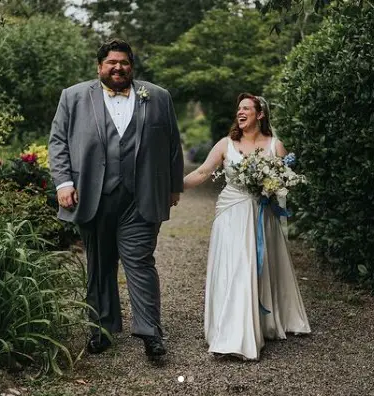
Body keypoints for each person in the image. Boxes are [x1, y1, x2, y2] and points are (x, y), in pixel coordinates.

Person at [48, 39, 184, 361]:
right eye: (111, 62)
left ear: (131, 66)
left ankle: (151, 334)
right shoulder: (74, 96)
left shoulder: (158, 97)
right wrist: (64, 183)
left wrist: (173, 186)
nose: (118, 68)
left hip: (142, 197)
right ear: (100, 67)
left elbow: (173, 144)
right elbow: (57, 142)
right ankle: (101, 330)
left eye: (124, 62)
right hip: (93, 196)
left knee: (140, 263)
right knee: (99, 266)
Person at [183, 93, 310, 360]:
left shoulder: (275, 146)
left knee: (257, 268)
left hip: (261, 215)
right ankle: (233, 335)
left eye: (246, 108)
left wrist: (270, 185)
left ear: (260, 114)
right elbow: (203, 172)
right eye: (238, 109)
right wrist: (172, 187)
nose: (240, 112)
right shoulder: (226, 144)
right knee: (236, 268)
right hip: (230, 214)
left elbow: (285, 185)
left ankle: (259, 325)